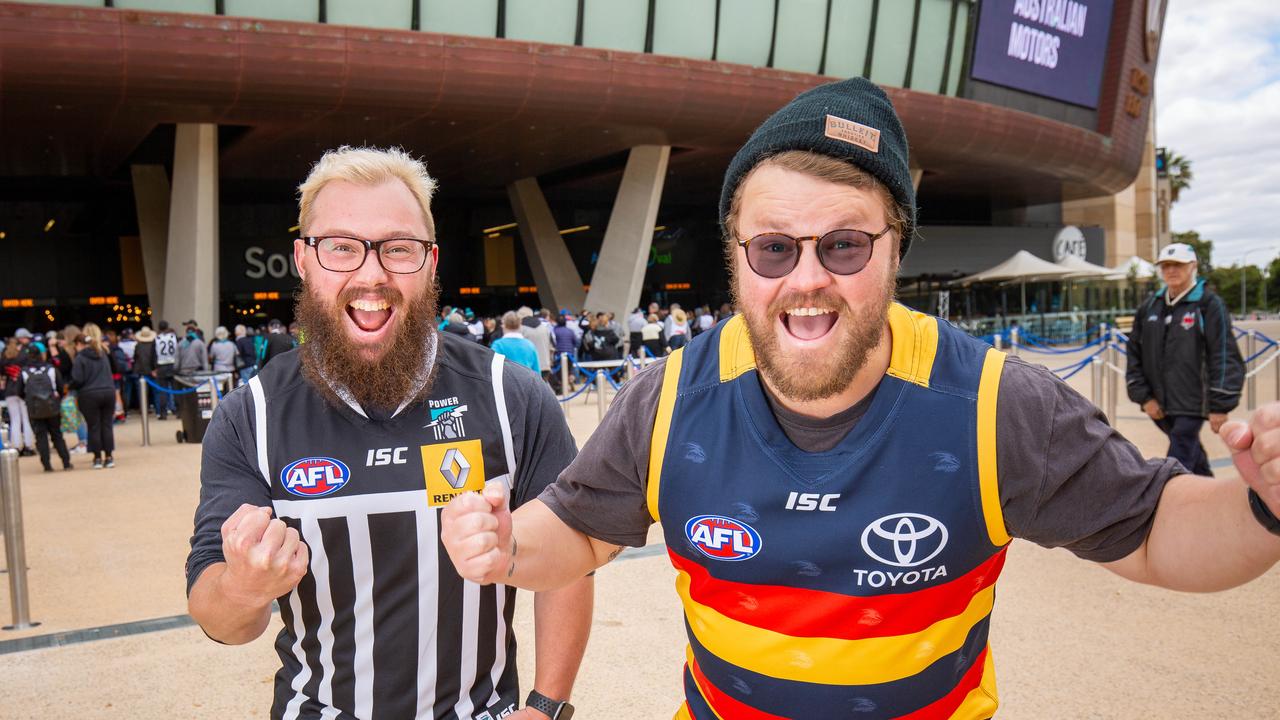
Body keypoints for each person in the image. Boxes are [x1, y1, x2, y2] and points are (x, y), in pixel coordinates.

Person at [440, 77, 1280, 718]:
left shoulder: (994, 404)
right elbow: (580, 535)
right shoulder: (669, 399)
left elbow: (1154, 534)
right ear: (736, 256)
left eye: (843, 244)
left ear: (894, 248)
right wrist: (506, 547)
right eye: (773, 248)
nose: (806, 281)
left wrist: (1264, 506)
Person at [186, 146, 591, 720]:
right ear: (303, 260)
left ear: (430, 262)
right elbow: (217, 618)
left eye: (398, 249)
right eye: (342, 248)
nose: (371, 274)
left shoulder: (512, 396)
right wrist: (245, 587)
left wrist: (545, 707)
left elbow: (571, 557)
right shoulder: (249, 415)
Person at [1126, 242, 1245, 476]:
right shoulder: (1150, 307)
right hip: (1159, 403)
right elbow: (1134, 353)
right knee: (1193, 458)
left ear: (1193, 266)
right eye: (1166, 265)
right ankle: (1209, 492)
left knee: (1178, 458)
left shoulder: (1209, 305)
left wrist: (1220, 404)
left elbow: (1224, 354)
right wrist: (1143, 396)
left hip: (1194, 403)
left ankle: (1164, 500)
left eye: (1178, 265)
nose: (1171, 270)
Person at [18, 344, 72, 472]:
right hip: (52, 406)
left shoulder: (24, 372)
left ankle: (47, 465)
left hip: (35, 409)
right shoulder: (51, 369)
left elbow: (19, 391)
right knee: (57, 435)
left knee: (41, 436)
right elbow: (60, 387)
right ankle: (66, 462)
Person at [70, 324, 117, 469]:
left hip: (89, 394)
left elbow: (78, 379)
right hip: (108, 391)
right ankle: (109, 457)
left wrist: (70, 386)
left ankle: (97, 458)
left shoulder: (81, 357)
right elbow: (115, 369)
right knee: (107, 425)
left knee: (94, 426)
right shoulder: (104, 353)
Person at [2, 337, 36, 456]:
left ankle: (16, 446)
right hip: (22, 390)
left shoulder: (4, 358)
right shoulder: (23, 357)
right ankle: (28, 445)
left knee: (15, 420)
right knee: (26, 419)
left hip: (9, 391)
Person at [491, 311, 542, 375]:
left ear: (503, 325)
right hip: (528, 383)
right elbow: (537, 372)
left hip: (507, 383)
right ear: (520, 325)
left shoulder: (498, 345)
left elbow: (493, 370)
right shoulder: (530, 345)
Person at [153, 320, 179, 420]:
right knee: (176, 390)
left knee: (162, 391)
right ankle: (178, 411)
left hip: (162, 365)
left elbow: (154, 354)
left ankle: (163, 413)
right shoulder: (173, 337)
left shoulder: (157, 338)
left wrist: (154, 367)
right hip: (173, 364)